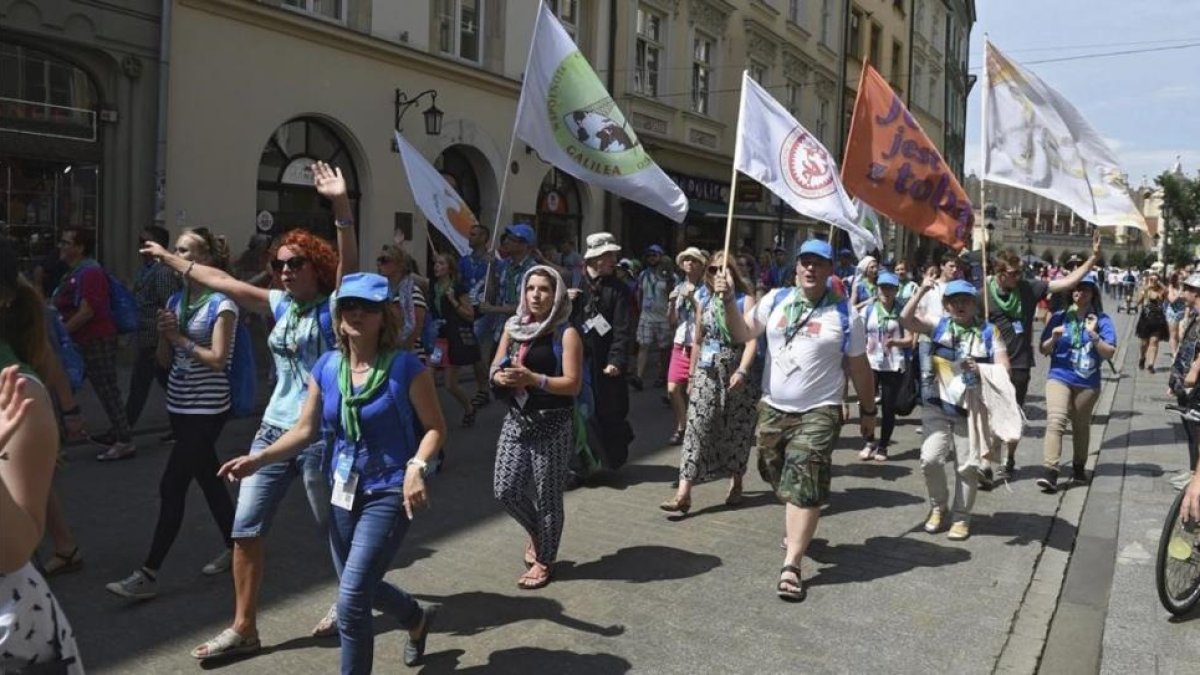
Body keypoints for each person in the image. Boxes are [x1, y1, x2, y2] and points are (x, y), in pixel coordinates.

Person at [141, 161, 357, 658]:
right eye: (279, 263)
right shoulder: (280, 304)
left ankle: (353, 597)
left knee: (335, 529)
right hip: (272, 432)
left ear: (315, 268)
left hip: (322, 435)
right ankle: (244, 629)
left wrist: (340, 205)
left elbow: (350, 261)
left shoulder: (335, 307)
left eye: (294, 264)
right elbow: (222, 280)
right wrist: (170, 259)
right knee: (245, 529)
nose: (283, 270)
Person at [220, 272, 446, 672]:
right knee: (360, 586)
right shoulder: (326, 367)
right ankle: (415, 617)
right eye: (349, 307)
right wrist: (258, 460)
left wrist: (416, 466)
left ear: (383, 316)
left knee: (352, 599)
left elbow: (434, 428)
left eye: (367, 308)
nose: (356, 314)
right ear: (338, 315)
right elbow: (305, 430)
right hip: (342, 489)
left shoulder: (406, 367)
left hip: (389, 489)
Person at [719, 239, 875, 602]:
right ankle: (799, 522)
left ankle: (792, 564)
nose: (810, 269)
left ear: (830, 270)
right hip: (773, 407)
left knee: (804, 473)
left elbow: (860, 368)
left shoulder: (844, 315)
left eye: (819, 264)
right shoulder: (775, 300)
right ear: (796, 267)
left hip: (820, 409)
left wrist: (868, 411)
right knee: (774, 471)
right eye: (805, 262)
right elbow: (742, 334)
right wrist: (728, 301)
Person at [105, 228, 240, 600]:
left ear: (206, 261)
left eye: (185, 251)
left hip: (209, 408)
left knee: (172, 485)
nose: (178, 257)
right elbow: (165, 361)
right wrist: (166, 337)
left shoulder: (222, 303)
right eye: (177, 250)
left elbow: (217, 360)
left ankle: (148, 573)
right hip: (179, 405)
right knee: (210, 480)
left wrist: (180, 339)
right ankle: (238, 544)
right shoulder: (178, 299)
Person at [489, 265, 583, 590]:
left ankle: (545, 559)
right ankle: (538, 534)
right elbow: (495, 365)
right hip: (516, 419)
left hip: (552, 423)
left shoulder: (565, 332)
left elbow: (572, 384)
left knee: (548, 496)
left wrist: (534, 379)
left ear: (555, 294)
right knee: (505, 490)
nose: (536, 295)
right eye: (531, 289)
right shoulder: (513, 327)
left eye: (544, 289)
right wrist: (498, 376)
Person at [982, 234, 1100, 483]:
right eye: (1013, 273)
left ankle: (1009, 458)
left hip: (1021, 362)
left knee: (1013, 413)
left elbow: (1067, 283)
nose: (1017, 276)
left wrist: (1092, 259)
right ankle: (986, 464)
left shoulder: (1028, 288)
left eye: (1019, 272)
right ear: (999, 273)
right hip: (991, 363)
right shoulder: (984, 293)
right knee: (992, 413)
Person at [901, 276, 1008, 541]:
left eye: (966, 301)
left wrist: (981, 368)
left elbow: (1005, 368)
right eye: (954, 301)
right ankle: (939, 507)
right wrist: (922, 290)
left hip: (970, 410)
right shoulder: (939, 326)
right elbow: (905, 320)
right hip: (938, 404)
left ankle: (961, 517)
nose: (960, 305)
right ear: (946, 305)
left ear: (975, 304)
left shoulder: (988, 332)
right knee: (930, 459)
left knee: (967, 467)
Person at [660, 251, 759, 514]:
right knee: (696, 427)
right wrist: (692, 375)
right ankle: (684, 493)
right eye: (713, 269)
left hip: (735, 371)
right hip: (706, 369)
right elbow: (698, 339)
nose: (717, 274)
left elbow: (751, 340)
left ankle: (736, 481)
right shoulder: (703, 298)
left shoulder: (744, 300)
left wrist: (743, 370)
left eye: (723, 269)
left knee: (735, 429)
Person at [53, 226, 137, 460]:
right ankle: (57, 442)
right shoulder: (74, 271)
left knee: (106, 389)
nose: (61, 246)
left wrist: (61, 334)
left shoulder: (90, 273)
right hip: (81, 340)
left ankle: (124, 440)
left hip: (95, 339)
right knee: (61, 389)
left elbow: (87, 311)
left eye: (66, 242)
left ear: (80, 248)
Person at [1035, 273, 1116, 492]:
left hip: (1088, 381)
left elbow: (1109, 353)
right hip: (1059, 375)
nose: (1080, 292)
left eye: (1086, 289)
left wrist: (1094, 336)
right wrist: (1053, 338)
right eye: (1077, 289)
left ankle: (1079, 466)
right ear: (1071, 292)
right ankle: (1051, 471)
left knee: (1080, 425)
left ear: (1093, 294)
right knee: (1056, 420)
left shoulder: (1102, 320)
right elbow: (1043, 349)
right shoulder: (1059, 317)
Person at [570, 233, 634, 469]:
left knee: (609, 411)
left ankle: (607, 460)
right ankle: (580, 461)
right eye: (609, 255)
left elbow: (623, 329)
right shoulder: (573, 282)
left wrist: (616, 360)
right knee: (577, 413)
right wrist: (564, 303)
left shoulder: (619, 289)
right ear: (595, 258)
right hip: (575, 361)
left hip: (605, 364)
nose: (614, 260)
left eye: (614, 255)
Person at [127, 224, 182, 435]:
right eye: (139, 242)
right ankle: (181, 425)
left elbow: (169, 306)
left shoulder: (162, 273)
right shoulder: (147, 270)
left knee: (140, 385)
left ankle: (123, 430)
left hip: (155, 339)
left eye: (145, 242)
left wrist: (165, 338)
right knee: (167, 383)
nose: (140, 247)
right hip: (146, 335)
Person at [860, 271, 914, 461]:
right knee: (867, 405)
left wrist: (895, 343)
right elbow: (859, 334)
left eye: (890, 288)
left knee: (888, 407)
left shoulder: (902, 311)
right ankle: (868, 441)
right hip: (871, 363)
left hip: (893, 364)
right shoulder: (869, 310)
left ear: (896, 290)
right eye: (883, 287)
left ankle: (883, 446)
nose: (886, 291)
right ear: (877, 289)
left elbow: (910, 340)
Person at [428, 252, 481, 427]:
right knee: (427, 379)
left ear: (449, 269)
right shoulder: (432, 286)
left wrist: (453, 301)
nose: (436, 266)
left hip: (454, 339)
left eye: (441, 263)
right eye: (436, 263)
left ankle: (469, 408)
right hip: (437, 340)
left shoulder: (458, 288)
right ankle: (431, 418)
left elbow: (470, 315)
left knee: (450, 384)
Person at [666, 248, 708, 445]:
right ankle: (682, 425)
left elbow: (706, 317)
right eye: (686, 260)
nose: (689, 263)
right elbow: (673, 321)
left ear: (701, 266)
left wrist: (692, 298)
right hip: (680, 342)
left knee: (696, 391)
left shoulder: (706, 289)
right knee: (673, 388)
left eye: (694, 260)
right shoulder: (679, 287)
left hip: (698, 345)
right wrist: (671, 303)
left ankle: (694, 428)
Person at [1168, 273, 1200, 491]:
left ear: (1196, 292)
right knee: (1190, 427)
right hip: (1185, 380)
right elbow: (1186, 347)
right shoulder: (1196, 315)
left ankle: (1196, 475)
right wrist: (1175, 378)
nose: (1183, 292)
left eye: (1187, 288)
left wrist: (1195, 370)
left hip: (1195, 383)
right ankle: (1192, 471)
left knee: (1197, 429)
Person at [482, 223, 538, 344]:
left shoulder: (534, 271)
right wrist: (490, 269)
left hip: (522, 332)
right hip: (500, 331)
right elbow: (493, 294)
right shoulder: (504, 266)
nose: (506, 242)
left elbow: (525, 307)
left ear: (525, 245)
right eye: (506, 238)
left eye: (512, 239)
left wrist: (493, 309)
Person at [460, 224, 496, 409]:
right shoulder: (464, 261)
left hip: (484, 312)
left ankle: (484, 389)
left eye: (474, 235)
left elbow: (496, 288)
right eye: (470, 234)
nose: (470, 237)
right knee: (475, 352)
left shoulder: (492, 261)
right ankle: (484, 387)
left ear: (484, 238)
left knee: (477, 349)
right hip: (468, 310)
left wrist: (493, 267)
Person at [632, 244, 674, 390]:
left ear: (661, 257)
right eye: (649, 256)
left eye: (655, 255)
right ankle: (638, 377)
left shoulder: (670, 276)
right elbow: (640, 293)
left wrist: (669, 280)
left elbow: (672, 296)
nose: (651, 258)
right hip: (647, 316)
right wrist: (640, 310)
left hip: (663, 317)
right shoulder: (644, 274)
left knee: (664, 348)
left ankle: (662, 375)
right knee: (643, 346)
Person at [1135, 271, 1169, 373]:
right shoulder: (1144, 290)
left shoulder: (1160, 291)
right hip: (1145, 319)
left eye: (1155, 280)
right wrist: (1146, 288)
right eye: (1151, 279)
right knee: (1144, 343)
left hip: (1158, 320)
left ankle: (1151, 364)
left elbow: (1166, 291)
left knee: (1154, 342)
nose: (1153, 281)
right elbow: (1138, 302)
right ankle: (1142, 358)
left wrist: (1159, 283)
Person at [1167, 271, 1186, 358]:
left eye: (1183, 279)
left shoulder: (1186, 288)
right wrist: (1180, 292)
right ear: (1176, 280)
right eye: (1180, 279)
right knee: (1173, 334)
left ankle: (1180, 351)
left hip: (1184, 313)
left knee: (1182, 334)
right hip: (1173, 313)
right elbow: (1171, 300)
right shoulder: (1171, 287)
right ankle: (1174, 353)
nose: (1182, 280)